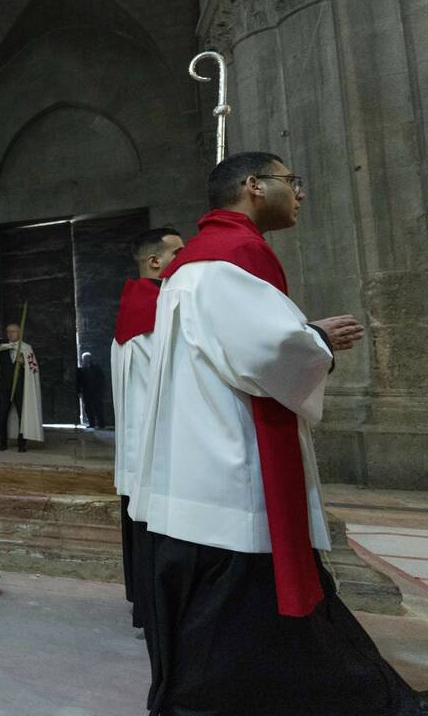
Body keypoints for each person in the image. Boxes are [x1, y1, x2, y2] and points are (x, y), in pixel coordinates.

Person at [131, 152, 426, 715]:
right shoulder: (233, 256)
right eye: (293, 181)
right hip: (233, 461)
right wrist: (315, 341)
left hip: (204, 454)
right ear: (253, 185)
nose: (300, 193)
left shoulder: (198, 261)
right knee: (247, 595)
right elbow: (266, 354)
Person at [109, 227, 183, 624]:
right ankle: (157, 610)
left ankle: (146, 604)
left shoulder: (135, 304)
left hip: (141, 442)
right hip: (160, 441)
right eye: (179, 251)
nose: (187, 257)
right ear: (155, 261)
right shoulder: (157, 308)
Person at [0, 323, 43, 451]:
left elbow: (33, 368)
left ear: (19, 333)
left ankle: (22, 444)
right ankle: (3, 443)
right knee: (2, 416)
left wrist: (23, 363)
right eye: (8, 332)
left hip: (20, 387)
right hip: (3, 386)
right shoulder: (2, 348)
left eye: (13, 331)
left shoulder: (26, 348)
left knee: (22, 415)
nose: (10, 334)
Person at [76, 351, 105, 428]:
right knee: (88, 408)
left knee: (98, 407)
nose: (85, 360)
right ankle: (91, 423)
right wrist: (79, 391)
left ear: (90, 359)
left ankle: (101, 423)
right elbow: (79, 382)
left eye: (86, 358)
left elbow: (101, 378)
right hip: (86, 392)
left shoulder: (96, 367)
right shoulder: (81, 370)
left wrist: (101, 389)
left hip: (96, 391)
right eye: (84, 359)